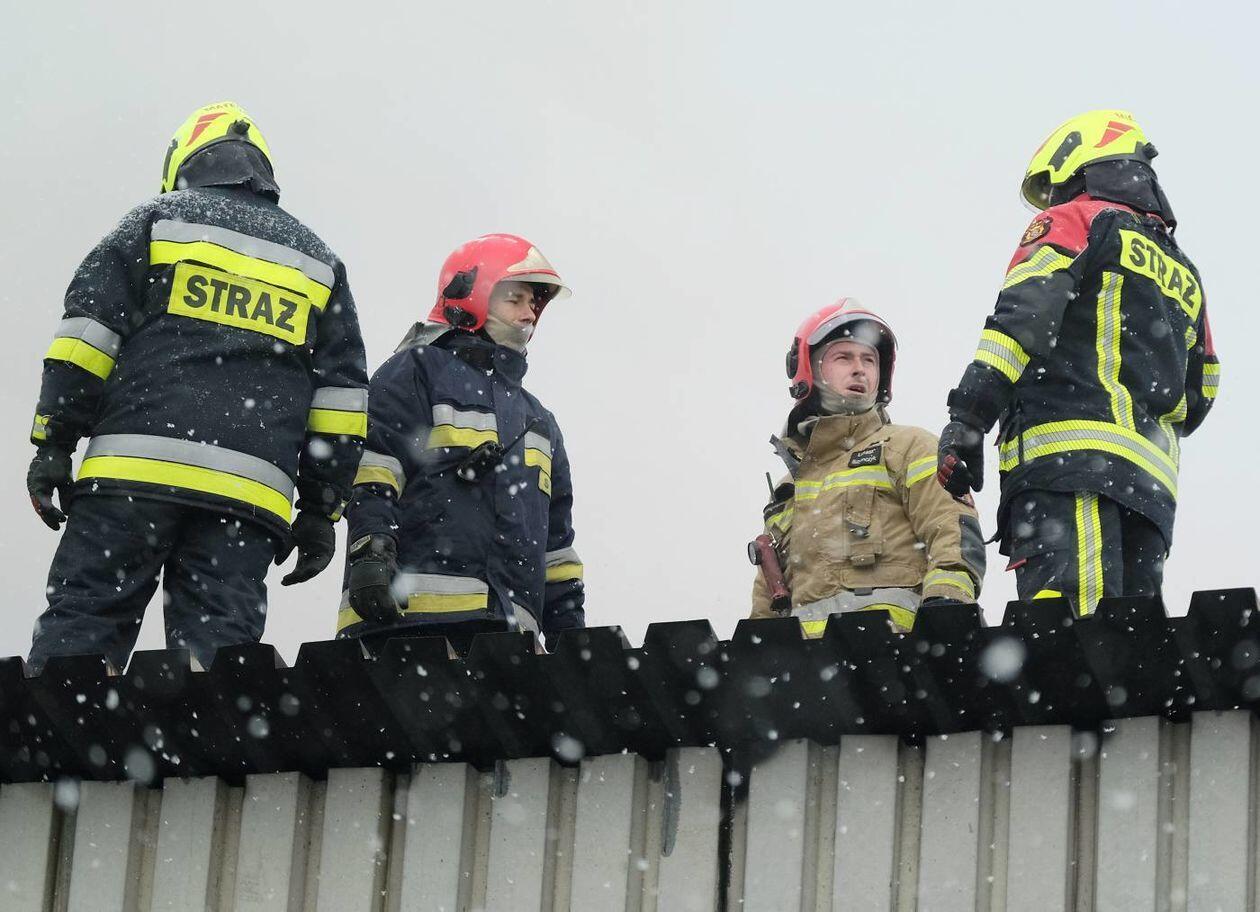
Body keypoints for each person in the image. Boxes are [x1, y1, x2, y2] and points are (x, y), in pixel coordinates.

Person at [26, 101, 368, 673]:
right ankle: (209, 732)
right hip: (246, 498)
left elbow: (84, 342)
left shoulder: (155, 223)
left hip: (131, 477)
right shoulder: (318, 262)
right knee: (219, 663)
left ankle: (58, 728)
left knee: (84, 628)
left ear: (184, 163)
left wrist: (54, 442)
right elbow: (341, 400)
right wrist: (320, 507)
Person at [937, 110, 1218, 614]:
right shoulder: (1185, 270)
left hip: (1068, 470)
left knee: (1074, 627)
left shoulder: (1076, 220)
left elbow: (1022, 321)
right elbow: (1202, 394)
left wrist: (969, 419)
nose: (1054, 199)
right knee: (1135, 637)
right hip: (1150, 491)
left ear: (1077, 161)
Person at [338, 234, 584, 652]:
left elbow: (556, 551)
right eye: (516, 298)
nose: (529, 313)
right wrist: (371, 553)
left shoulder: (540, 422)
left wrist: (573, 645)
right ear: (470, 295)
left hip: (509, 645)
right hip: (405, 630)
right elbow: (374, 470)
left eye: (534, 304)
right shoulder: (417, 371)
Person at [750, 301, 985, 634]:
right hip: (813, 663)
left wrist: (947, 607)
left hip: (898, 653)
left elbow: (951, 530)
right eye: (844, 358)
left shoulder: (908, 447)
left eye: (869, 360)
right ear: (808, 370)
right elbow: (767, 601)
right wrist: (759, 651)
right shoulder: (788, 490)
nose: (860, 370)